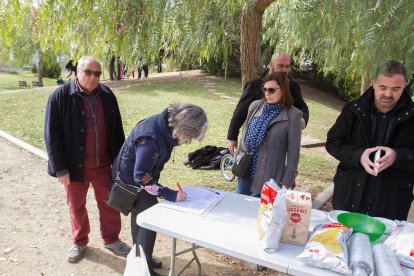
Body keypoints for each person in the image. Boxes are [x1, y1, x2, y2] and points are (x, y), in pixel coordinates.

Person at [44, 56, 130, 263]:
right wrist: (60, 169)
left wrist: (120, 163)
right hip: (74, 167)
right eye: (88, 72)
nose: (93, 77)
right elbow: (51, 135)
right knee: (76, 206)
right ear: (77, 72)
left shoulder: (108, 95)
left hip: (103, 166)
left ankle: (111, 239)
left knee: (110, 204)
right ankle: (79, 242)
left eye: (97, 73)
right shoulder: (59, 97)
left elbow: (118, 131)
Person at [115, 103, 208, 275]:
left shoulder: (167, 127)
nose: (188, 141)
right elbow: (141, 176)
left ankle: (142, 259)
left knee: (141, 216)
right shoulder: (150, 138)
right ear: (183, 127)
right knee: (149, 218)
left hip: (140, 177)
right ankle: (144, 269)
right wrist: (170, 194)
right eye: (189, 136)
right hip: (132, 180)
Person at [325, 60, 414, 221]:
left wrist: (398, 156)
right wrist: (359, 155)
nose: (388, 94)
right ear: (373, 83)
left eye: (396, 89)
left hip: (392, 202)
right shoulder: (353, 109)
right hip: (349, 195)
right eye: (382, 87)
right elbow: (333, 142)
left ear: (405, 86)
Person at [227, 52, 309, 155]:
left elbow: (302, 107)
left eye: (287, 66)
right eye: (281, 66)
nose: (284, 70)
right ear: (271, 64)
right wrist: (232, 136)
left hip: (279, 142)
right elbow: (241, 111)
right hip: (254, 139)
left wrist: (303, 120)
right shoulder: (254, 86)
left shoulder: (292, 86)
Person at [235, 72, 302, 196]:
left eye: (271, 90)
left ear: (283, 90)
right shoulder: (255, 106)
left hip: (270, 175)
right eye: (265, 89)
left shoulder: (293, 115)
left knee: (262, 212)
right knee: (240, 205)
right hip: (246, 168)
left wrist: (287, 181)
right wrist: (237, 159)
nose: (267, 93)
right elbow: (244, 134)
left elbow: (294, 153)